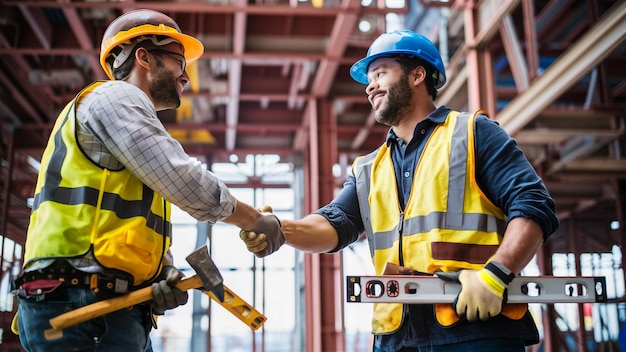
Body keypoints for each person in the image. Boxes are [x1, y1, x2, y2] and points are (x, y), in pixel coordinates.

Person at [241, 29, 559, 352]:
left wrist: (496, 274)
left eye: (380, 73)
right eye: (369, 78)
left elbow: (533, 204)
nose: (370, 86)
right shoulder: (369, 168)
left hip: (473, 327)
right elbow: (335, 223)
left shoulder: (471, 134)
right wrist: (281, 230)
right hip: (397, 337)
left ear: (418, 74)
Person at [11, 9, 284, 352]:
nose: (185, 77)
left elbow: (124, 219)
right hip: (80, 301)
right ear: (143, 57)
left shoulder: (126, 127)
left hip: (101, 304)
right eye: (178, 63)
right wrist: (255, 219)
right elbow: (184, 181)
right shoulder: (114, 98)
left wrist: (161, 272)